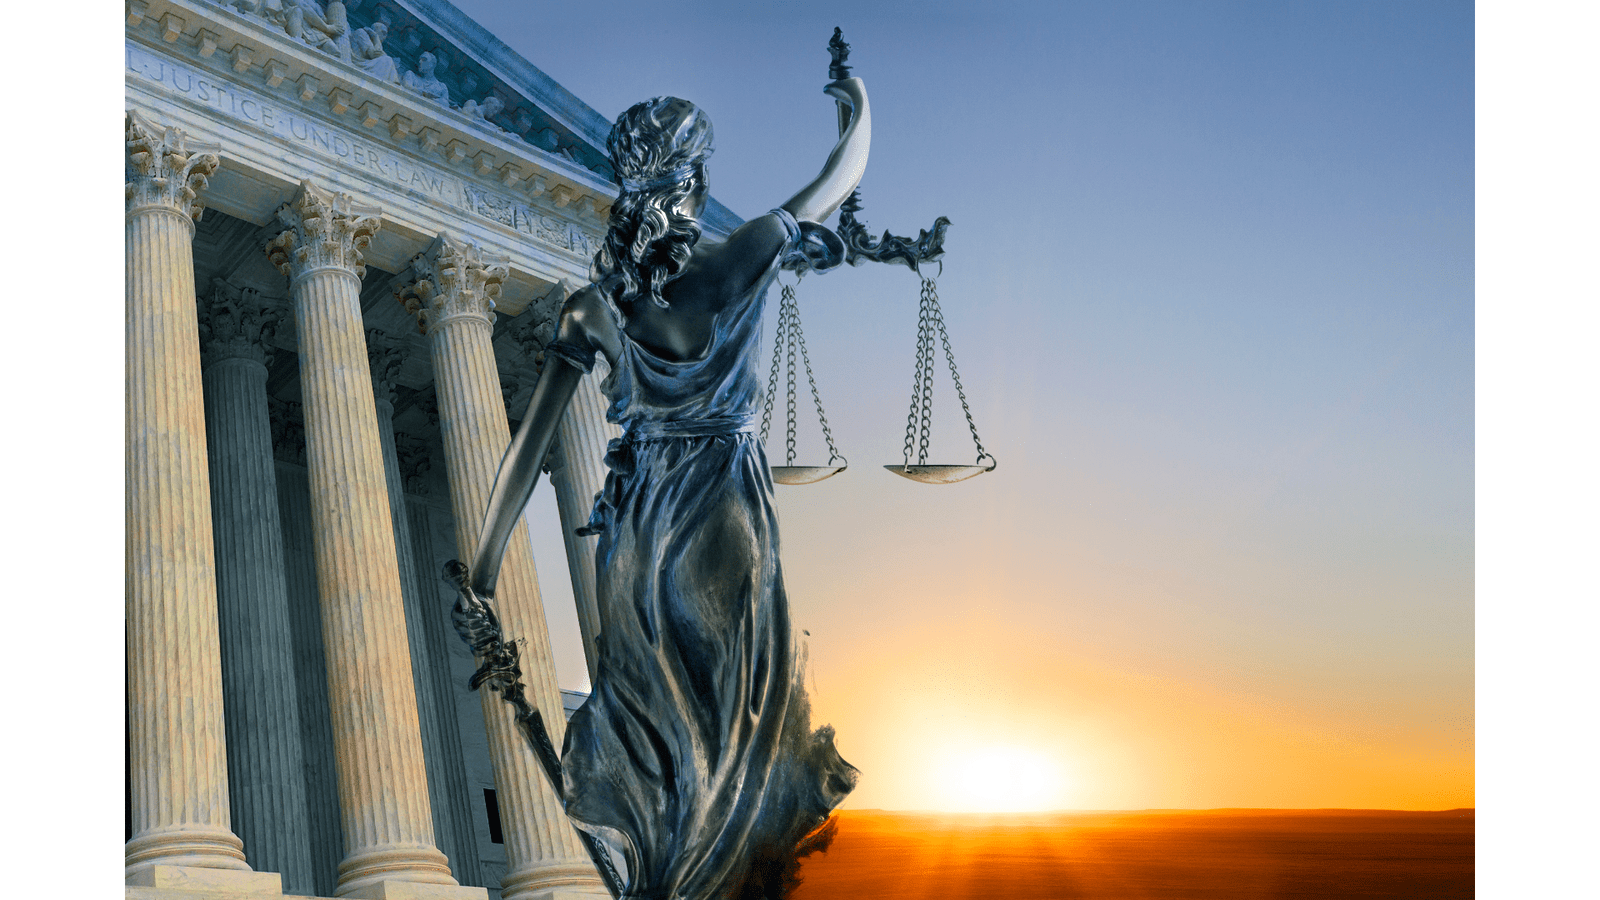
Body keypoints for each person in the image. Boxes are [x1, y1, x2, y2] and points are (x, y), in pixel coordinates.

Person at [460, 77, 871, 900]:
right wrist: (855, 103)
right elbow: (842, 175)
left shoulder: (592, 310)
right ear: (699, 181)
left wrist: (482, 570)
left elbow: (523, 451)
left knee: (651, 733)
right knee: (732, 739)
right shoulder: (745, 254)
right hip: (724, 517)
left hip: (640, 533)